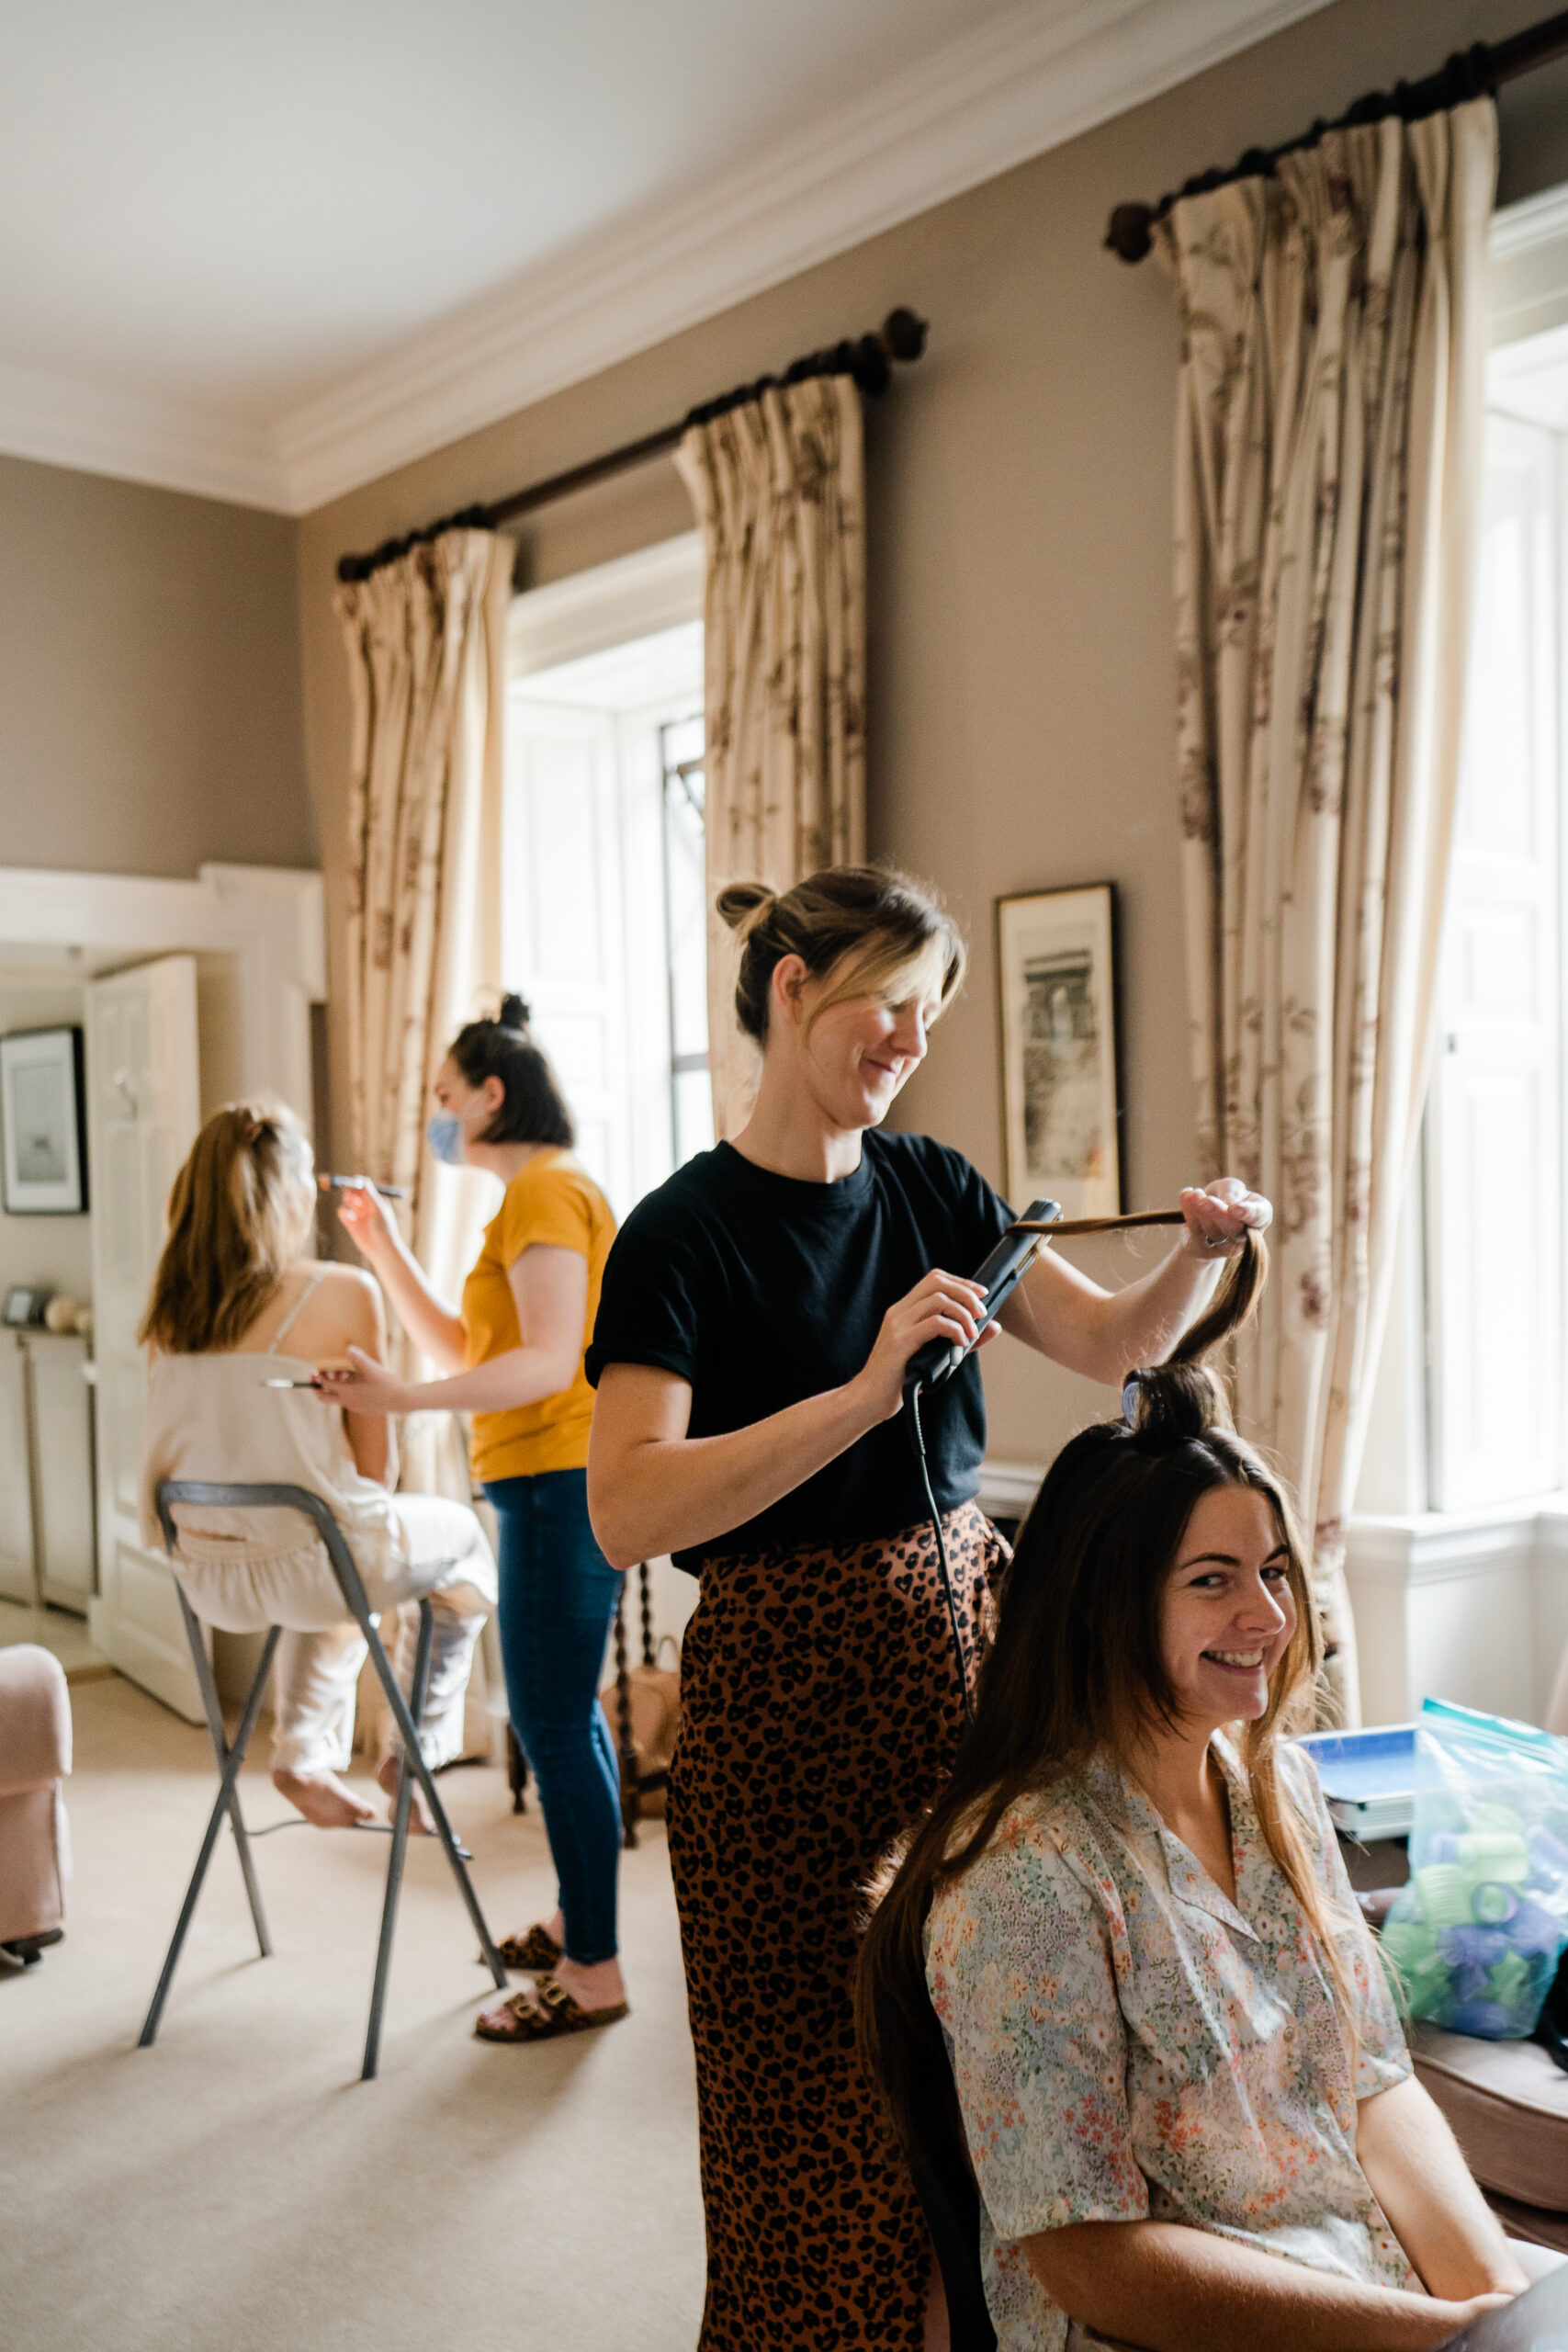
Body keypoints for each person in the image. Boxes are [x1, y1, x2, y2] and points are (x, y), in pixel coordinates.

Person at [583, 864, 1272, 2352]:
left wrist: (1195, 1257)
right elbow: (624, 1506)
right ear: (790, 988)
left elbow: (1105, 1346)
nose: (908, 1041)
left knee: (979, 2079)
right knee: (806, 2105)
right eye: (889, 1003)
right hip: (781, 1708)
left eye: (929, 1015)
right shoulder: (676, 1236)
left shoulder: (935, 1186)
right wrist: (858, 1395)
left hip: (968, 1679)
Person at [856, 1251, 1541, 2352]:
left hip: (1369, 2280)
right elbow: (1086, 2255)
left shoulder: (1282, 1789)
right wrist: (1424, 2339)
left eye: (1273, 1569)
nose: (1268, 1615)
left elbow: (1374, 2081)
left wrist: (1491, 2306)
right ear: (1101, 1607)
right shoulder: (1025, 1879)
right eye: (1212, 1579)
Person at [322, 997, 625, 2043]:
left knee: (548, 1721)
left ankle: (593, 1971)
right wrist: (384, 1247)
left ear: (493, 1095)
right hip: (538, 1481)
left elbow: (544, 1365)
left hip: (555, 1481)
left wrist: (390, 1402)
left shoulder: (546, 1189)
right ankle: (580, 1918)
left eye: (447, 1098)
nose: (439, 1119)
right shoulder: (527, 1199)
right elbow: (468, 1350)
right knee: (564, 1715)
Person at [139, 1101, 495, 1830]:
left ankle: (300, 1755)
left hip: (205, 1576)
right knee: (458, 1545)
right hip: (316, 1562)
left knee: (320, 1533)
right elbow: (377, 1476)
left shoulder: (170, 1313)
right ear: (293, 1194)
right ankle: (413, 1751)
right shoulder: (341, 1291)